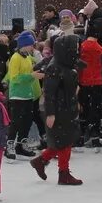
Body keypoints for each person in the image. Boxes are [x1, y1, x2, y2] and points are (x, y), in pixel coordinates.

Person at [31, 34, 83, 186]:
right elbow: (49, 92)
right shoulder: (55, 67)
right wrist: (51, 113)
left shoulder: (67, 63)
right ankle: (63, 173)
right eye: (75, 48)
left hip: (67, 107)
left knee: (63, 140)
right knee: (64, 141)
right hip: (60, 110)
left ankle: (41, 161)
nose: (77, 50)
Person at [3, 31, 42, 160]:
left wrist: (35, 73)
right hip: (18, 96)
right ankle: (10, 145)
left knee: (27, 121)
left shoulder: (27, 58)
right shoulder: (15, 58)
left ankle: (21, 144)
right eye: (31, 45)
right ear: (24, 45)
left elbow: (31, 70)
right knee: (16, 121)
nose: (32, 48)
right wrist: (31, 76)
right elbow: (14, 78)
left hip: (28, 94)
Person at [78, 34, 102, 149]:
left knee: (84, 109)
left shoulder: (81, 48)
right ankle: (95, 136)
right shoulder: (101, 49)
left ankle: (83, 134)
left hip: (84, 81)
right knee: (96, 109)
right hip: (97, 82)